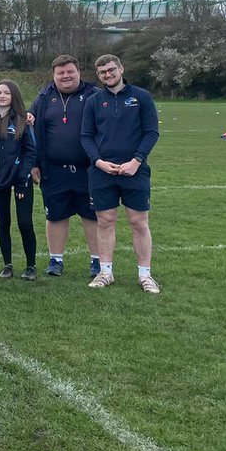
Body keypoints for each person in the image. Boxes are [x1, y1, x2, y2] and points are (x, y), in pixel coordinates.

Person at [81, 54, 161, 294]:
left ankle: (144, 275)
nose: (108, 74)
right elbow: (86, 136)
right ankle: (105, 272)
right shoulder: (93, 101)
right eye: (103, 72)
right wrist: (99, 162)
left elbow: (151, 133)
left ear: (121, 69)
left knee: (139, 222)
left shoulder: (142, 97)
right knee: (105, 222)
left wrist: (136, 161)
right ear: (98, 75)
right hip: (102, 172)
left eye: (111, 69)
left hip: (134, 171)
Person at [28, 55, 101, 278]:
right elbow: (30, 131)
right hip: (53, 168)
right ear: (54, 75)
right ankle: (55, 260)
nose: (65, 76)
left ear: (78, 72)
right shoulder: (43, 97)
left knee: (92, 215)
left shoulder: (94, 95)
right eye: (60, 73)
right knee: (55, 215)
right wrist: (34, 163)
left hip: (88, 169)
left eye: (69, 71)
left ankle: (98, 261)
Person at [0, 80, 37, 280]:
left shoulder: (22, 119)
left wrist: (23, 178)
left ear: (13, 96)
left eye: (6, 93)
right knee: (3, 222)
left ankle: (31, 266)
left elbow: (30, 152)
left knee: (25, 223)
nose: (2, 96)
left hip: (19, 180)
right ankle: (7, 264)